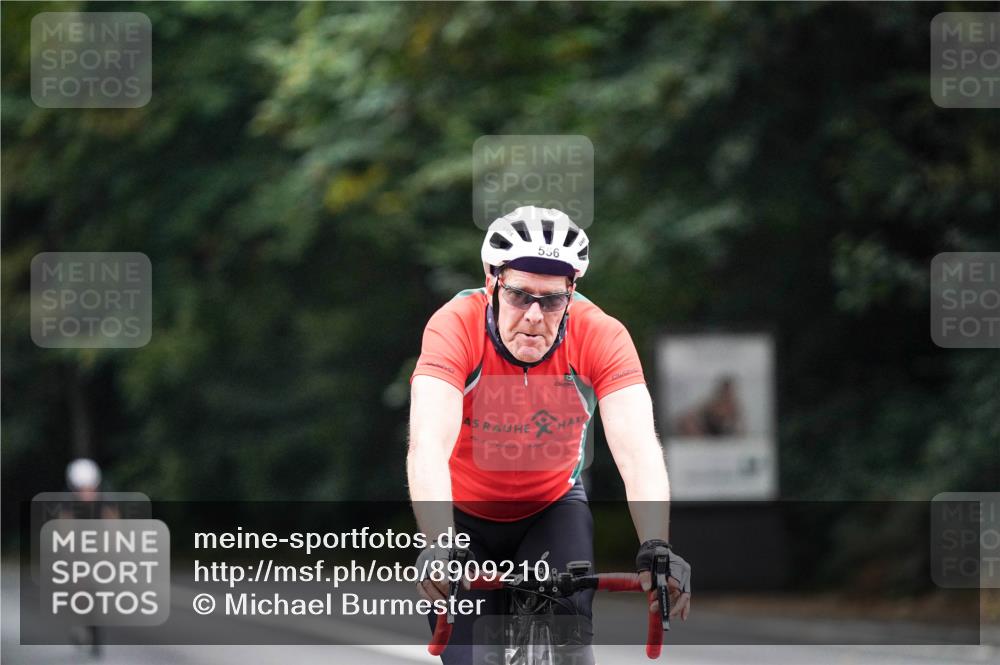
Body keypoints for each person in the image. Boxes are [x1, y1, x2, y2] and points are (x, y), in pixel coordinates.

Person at [408, 206, 691, 664]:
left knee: (569, 639)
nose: (536, 315)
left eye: (553, 300)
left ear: (571, 293)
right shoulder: (454, 326)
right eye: (520, 296)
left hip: (551, 508)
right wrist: (439, 542)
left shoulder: (600, 335)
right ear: (492, 283)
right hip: (463, 520)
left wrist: (656, 545)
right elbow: (427, 444)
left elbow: (639, 451)